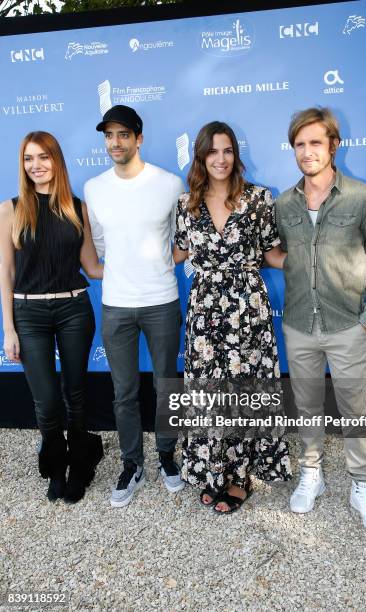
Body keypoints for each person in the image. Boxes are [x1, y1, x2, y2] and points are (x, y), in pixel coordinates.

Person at [276, 107, 366, 531]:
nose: (307, 152)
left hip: (347, 326)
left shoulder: (363, 197)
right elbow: (277, 251)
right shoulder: (283, 204)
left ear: (333, 146)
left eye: (315, 143)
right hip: (298, 325)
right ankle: (313, 474)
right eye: (300, 145)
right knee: (307, 406)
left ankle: (363, 483)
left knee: (353, 409)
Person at [173, 121, 292, 514]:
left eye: (227, 151)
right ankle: (213, 471)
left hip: (247, 312)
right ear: (201, 157)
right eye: (212, 152)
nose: (220, 159)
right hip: (206, 310)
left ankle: (240, 477)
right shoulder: (185, 204)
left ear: (235, 155)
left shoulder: (258, 199)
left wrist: (309, 261)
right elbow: (177, 253)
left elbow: (272, 253)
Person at [84, 105, 185, 508]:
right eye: (109, 135)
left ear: (139, 138)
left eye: (123, 134)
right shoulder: (94, 188)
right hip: (116, 306)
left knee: (166, 385)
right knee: (123, 392)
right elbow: (101, 245)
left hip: (161, 301)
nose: (115, 142)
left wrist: (157, 264)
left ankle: (166, 457)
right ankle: (132, 464)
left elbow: (182, 240)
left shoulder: (170, 183)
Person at [0, 131, 104, 504]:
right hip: (28, 314)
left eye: (43, 157)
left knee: (75, 394)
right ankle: (56, 466)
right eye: (29, 158)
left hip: (74, 308)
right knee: (45, 401)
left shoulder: (77, 208)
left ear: (56, 161)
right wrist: (8, 328)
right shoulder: (10, 209)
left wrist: (140, 266)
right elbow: (6, 273)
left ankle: (79, 464)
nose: (36, 165)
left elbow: (92, 267)